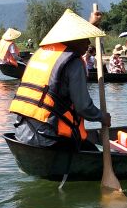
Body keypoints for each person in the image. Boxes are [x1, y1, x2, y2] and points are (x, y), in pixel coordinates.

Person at [9, 10, 109, 150]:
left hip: (21, 132)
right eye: (85, 38)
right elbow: (83, 107)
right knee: (92, 151)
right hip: (48, 138)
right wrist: (102, 117)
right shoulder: (74, 62)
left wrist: (91, 23)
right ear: (72, 39)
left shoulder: (40, 53)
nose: (88, 43)